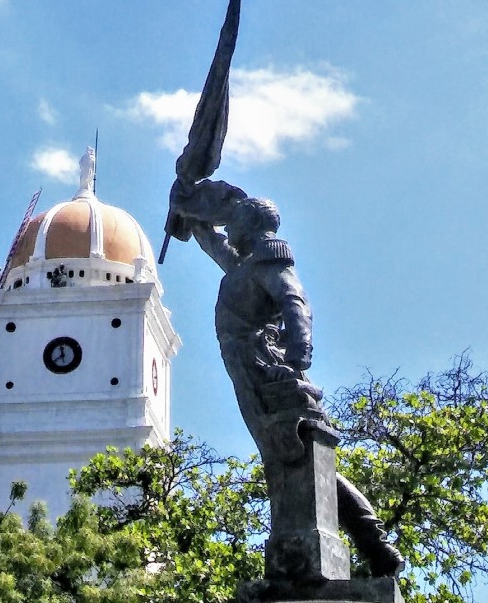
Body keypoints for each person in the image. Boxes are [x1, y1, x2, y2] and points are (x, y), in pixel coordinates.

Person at [171, 183, 403, 578]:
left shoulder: (269, 260)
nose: (228, 228)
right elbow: (216, 246)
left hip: (267, 367)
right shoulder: (245, 266)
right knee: (295, 458)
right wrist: (188, 212)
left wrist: (298, 354)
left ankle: (355, 547)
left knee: (295, 453)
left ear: (251, 223)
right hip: (249, 369)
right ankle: (371, 545)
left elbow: (294, 301)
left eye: (234, 221)